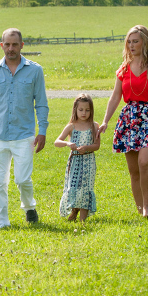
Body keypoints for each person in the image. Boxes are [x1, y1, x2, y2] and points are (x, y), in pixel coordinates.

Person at [98, 25, 148, 219]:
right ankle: (140, 208)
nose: (131, 45)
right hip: (130, 120)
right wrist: (105, 121)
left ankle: (147, 207)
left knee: (144, 162)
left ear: (145, 43)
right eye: (129, 42)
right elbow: (115, 97)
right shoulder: (123, 69)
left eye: (136, 41)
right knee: (134, 170)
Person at [0, 28, 49, 228]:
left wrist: (42, 131)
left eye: (15, 44)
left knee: (22, 179)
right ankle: (1, 222)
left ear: (22, 45)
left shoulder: (35, 70)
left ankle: (29, 207)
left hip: (24, 135)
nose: (11, 48)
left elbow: (41, 103)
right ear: (2, 45)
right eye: (7, 44)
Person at [54, 94, 99, 222]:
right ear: (75, 110)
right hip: (75, 161)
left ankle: (82, 220)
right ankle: (74, 210)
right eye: (81, 110)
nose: (84, 113)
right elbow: (57, 142)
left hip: (88, 161)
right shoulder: (71, 126)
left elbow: (97, 145)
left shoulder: (94, 126)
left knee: (86, 187)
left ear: (91, 110)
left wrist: (87, 147)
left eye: (87, 110)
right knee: (73, 186)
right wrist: (68, 143)